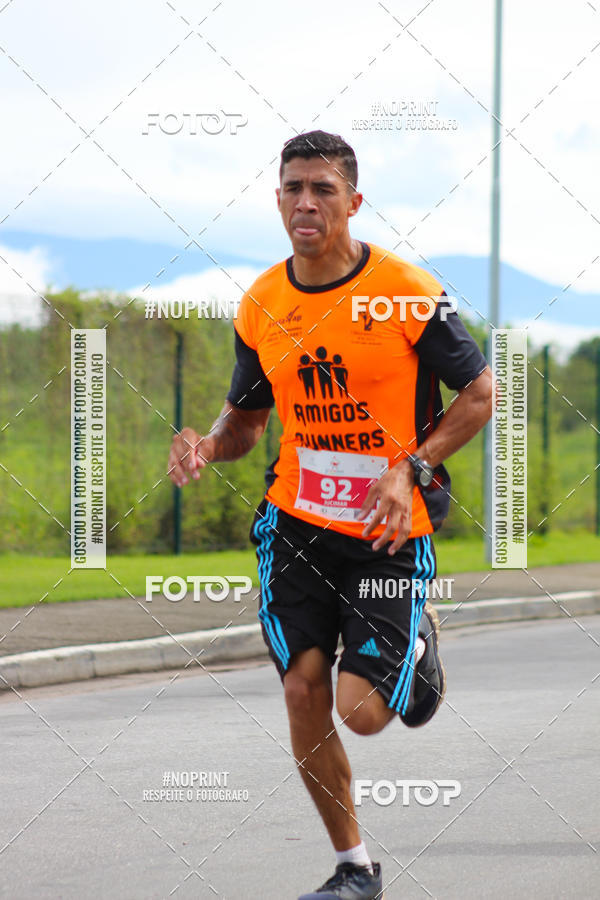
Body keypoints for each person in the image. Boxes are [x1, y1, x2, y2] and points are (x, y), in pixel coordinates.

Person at [168, 130, 492, 900]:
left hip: (387, 532)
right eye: (292, 188)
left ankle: (416, 653)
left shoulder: (406, 291)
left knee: (366, 715)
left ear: (353, 199)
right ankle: (355, 869)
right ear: (277, 197)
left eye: (321, 188)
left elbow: (479, 396)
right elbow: (247, 421)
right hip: (296, 526)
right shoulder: (263, 302)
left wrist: (408, 467)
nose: (305, 202)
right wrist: (208, 448)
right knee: (301, 689)